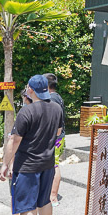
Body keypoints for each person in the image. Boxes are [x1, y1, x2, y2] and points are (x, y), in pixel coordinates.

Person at [0, 75, 63, 215]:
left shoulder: (26, 111)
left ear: (31, 90)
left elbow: (14, 140)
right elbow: (58, 132)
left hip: (28, 165)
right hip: (48, 163)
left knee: (27, 205)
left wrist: (5, 164)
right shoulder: (56, 108)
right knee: (45, 201)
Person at [1, 87, 34, 215]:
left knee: (16, 194)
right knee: (34, 196)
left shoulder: (24, 113)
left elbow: (15, 141)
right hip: (39, 162)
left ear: (26, 98)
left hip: (22, 160)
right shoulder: (45, 111)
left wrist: (7, 163)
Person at [44, 72, 65, 206]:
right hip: (56, 136)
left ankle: (53, 196)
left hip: (55, 137)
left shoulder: (53, 99)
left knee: (54, 165)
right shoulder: (56, 97)